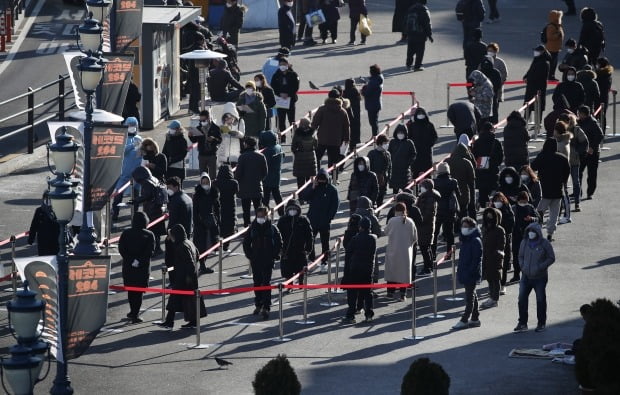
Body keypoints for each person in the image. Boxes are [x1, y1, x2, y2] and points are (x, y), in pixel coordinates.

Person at [157, 224, 204, 330]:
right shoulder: (189, 242)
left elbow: (189, 262)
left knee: (174, 300)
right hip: (189, 278)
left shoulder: (181, 246)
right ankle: (192, 321)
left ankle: (169, 322)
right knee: (188, 300)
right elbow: (197, 255)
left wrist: (187, 275)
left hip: (183, 278)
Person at [514, 223, 556, 333]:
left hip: (540, 277)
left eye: (533, 231)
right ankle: (522, 323)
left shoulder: (545, 243)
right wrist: (523, 266)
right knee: (521, 299)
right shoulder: (524, 242)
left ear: (538, 232)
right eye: (529, 231)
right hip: (526, 276)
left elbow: (551, 258)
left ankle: (541, 323)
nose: (530, 233)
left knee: (540, 300)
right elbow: (520, 256)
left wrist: (540, 267)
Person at [243, 207, 282, 319]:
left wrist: (274, 255)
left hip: (268, 261)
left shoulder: (272, 228)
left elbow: (279, 243)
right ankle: (258, 304)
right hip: (256, 261)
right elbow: (246, 244)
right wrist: (250, 255)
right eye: (258, 216)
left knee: (266, 283)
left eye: (262, 216)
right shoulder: (252, 229)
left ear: (267, 216)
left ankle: (266, 307)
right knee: (257, 283)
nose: (260, 218)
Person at [530, 138, 570, 241]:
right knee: (554, 214)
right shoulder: (562, 158)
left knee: (539, 212)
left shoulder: (542, 156)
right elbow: (567, 172)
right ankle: (550, 234)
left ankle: (536, 231)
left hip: (544, 190)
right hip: (557, 190)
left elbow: (533, 167)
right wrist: (563, 181)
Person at [119, 212, 155, 323]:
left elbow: (122, 249)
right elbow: (150, 251)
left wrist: (131, 260)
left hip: (128, 267)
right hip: (142, 268)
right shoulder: (149, 235)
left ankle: (132, 311)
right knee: (139, 292)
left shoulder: (126, 233)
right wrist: (139, 261)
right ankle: (135, 313)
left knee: (131, 290)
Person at [300, 169, 340, 271]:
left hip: (324, 222)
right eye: (320, 179)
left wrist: (329, 218)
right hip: (312, 220)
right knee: (310, 241)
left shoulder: (332, 190)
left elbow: (335, 206)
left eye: (323, 180)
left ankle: (324, 261)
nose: (321, 182)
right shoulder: (314, 187)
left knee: (325, 243)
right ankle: (311, 259)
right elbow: (304, 197)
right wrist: (312, 187)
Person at [342, 216, 376, 323]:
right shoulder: (372, 239)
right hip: (367, 269)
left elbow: (348, 254)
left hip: (355, 268)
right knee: (367, 293)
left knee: (352, 293)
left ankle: (351, 315)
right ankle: (368, 314)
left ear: (360, 227)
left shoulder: (355, 239)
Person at [451, 217, 482, 330]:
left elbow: (477, 259)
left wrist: (470, 271)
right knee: (472, 294)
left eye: (466, 226)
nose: (463, 228)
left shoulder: (475, 241)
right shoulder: (466, 240)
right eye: (462, 226)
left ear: (472, 228)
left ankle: (464, 319)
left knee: (469, 298)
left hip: (471, 273)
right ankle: (475, 318)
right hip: (465, 271)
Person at [384, 202, 417, 300]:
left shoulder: (392, 221)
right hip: (406, 252)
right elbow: (415, 237)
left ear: (395, 211)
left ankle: (390, 292)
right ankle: (403, 294)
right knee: (404, 273)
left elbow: (386, 231)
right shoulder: (410, 221)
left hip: (393, 250)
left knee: (392, 271)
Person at [112, 117, 143, 220]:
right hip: (124, 172)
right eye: (130, 126)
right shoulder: (122, 138)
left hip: (136, 172)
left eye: (134, 126)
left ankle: (135, 215)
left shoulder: (139, 138)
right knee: (118, 195)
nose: (132, 128)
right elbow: (121, 152)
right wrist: (131, 146)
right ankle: (115, 213)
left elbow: (141, 154)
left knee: (136, 195)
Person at [312, 89, 351, 170]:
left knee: (317, 157)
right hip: (336, 140)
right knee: (333, 161)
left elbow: (315, 123)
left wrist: (311, 133)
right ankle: (334, 178)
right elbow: (346, 126)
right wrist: (346, 138)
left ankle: (317, 175)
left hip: (322, 139)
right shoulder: (342, 111)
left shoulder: (322, 109)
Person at [277, 199, 313, 284]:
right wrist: (279, 249)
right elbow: (277, 236)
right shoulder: (282, 220)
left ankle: (301, 283)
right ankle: (289, 285)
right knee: (287, 270)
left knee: (300, 268)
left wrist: (309, 248)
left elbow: (309, 235)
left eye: (294, 209)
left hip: (300, 250)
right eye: (290, 209)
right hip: (287, 250)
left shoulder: (303, 220)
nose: (292, 210)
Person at [132, 167, 166, 255]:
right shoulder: (154, 179)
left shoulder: (146, 183)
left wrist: (135, 200)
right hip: (158, 208)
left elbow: (146, 196)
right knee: (156, 231)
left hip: (151, 209)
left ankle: (154, 249)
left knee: (151, 231)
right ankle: (158, 248)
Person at [235, 136, 268, 226]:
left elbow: (238, 174)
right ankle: (259, 225)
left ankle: (246, 226)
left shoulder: (242, 157)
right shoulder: (261, 156)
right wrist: (259, 179)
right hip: (257, 186)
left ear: (246, 144)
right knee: (258, 208)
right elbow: (265, 172)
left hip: (244, 187)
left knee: (246, 210)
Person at [192, 173, 220, 275]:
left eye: (207, 182)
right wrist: (198, 223)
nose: (205, 184)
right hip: (200, 225)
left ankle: (202, 265)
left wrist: (217, 220)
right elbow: (195, 211)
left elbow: (217, 208)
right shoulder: (197, 195)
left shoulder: (214, 193)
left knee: (209, 245)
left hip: (211, 224)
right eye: (203, 182)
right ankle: (202, 266)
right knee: (201, 246)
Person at [560, 112, 588, 212]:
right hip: (563, 161)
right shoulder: (560, 129)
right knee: (564, 184)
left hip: (574, 160)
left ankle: (577, 203)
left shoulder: (576, 130)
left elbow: (585, 142)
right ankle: (564, 203)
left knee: (575, 182)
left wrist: (578, 152)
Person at [510, 191, 539, 284]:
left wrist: (531, 219)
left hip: (527, 236)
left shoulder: (530, 207)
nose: (524, 203)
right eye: (522, 201)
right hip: (516, 235)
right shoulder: (514, 208)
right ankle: (516, 274)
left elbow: (538, 219)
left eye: (525, 201)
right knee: (516, 256)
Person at [471, 122, 503, 207]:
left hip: (481, 170)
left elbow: (474, 156)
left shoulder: (477, 142)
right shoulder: (496, 142)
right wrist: (495, 163)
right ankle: (492, 206)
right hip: (493, 169)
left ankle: (484, 205)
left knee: (483, 190)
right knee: (494, 188)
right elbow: (501, 157)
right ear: (492, 129)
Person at [432, 162, 460, 259]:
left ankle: (433, 254)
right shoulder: (453, 182)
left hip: (437, 210)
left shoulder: (434, 182)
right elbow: (458, 194)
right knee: (449, 233)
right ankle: (449, 254)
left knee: (434, 234)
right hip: (449, 210)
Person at [577, 105, 604, 200]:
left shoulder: (592, 123)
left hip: (593, 152)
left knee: (592, 173)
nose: (578, 115)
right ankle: (577, 192)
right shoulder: (579, 122)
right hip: (582, 152)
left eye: (579, 113)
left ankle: (590, 192)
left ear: (584, 114)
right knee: (578, 172)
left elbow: (600, 135)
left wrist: (592, 147)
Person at [270, 57, 300, 143]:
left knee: (292, 119)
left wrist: (288, 94)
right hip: (280, 100)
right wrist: (280, 94)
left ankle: (294, 136)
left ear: (287, 65)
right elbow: (273, 85)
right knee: (281, 120)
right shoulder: (276, 74)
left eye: (284, 64)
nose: (282, 66)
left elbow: (296, 86)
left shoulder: (293, 74)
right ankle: (282, 137)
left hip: (290, 100)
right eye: (280, 64)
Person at [480, 207, 505, 308]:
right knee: (489, 279)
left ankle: (495, 299)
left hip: (495, 259)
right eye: (487, 215)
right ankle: (491, 297)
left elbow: (501, 246)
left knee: (495, 279)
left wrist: (497, 257)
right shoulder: (486, 228)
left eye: (491, 215)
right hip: (486, 257)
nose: (488, 217)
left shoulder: (499, 230)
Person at [490, 192, 514, 294]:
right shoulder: (490, 211)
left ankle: (502, 284)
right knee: (493, 265)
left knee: (503, 263)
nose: (497, 202)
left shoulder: (508, 210)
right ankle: (494, 286)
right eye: (495, 201)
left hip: (505, 240)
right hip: (492, 241)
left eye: (499, 200)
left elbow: (511, 224)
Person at [188, 109, 222, 179]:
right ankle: (204, 189)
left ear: (208, 118)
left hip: (212, 154)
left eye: (203, 120)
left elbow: (220, 140)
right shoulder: (198, 128)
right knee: (203, 176)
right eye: (200, 121)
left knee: (213, 176)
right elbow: (195, 141)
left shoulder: (215, 128)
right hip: (202, 154)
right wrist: (190, 136)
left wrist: (213, 139)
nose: (202, 122)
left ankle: (212, 188)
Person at [416, 178, 440, 276]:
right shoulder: (426, 196)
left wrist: (419, 219)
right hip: (426, 226)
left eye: (422, 186)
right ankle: (429, 266)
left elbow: (428, 214)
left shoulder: (429, 198)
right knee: (426, 247)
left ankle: (427, 268)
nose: (421, 188)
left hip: (426, 226)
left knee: (424, 248)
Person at [447, 142, 475, 223]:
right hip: (464, 193)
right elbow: (471, 180)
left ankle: (455, 227)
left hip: (451, 194)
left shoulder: (448, 161)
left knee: (453, 213)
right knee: (463, 212)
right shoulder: (466, 162)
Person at [212, 164, 238, 252]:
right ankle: (226, 246)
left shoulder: (215, 183)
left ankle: (216, 247)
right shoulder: (234, 183)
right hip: (230, 207)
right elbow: (237, 191)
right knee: (229, 227)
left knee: (218, 227)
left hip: (219, 207)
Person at [259, 130, 285, 216]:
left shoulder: (267, 151)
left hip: (267, 178)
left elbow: (264, 164)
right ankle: (282, 213)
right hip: (276, 175)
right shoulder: (278, 147)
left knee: (265, 198)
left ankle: (264, 214)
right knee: (277, 195)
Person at [407, 107, 437, 178]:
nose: (420, 115)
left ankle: (428, 187)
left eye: (422, 114)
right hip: (416, 153)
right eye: (419, 113)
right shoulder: (412, 126)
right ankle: (416, 188)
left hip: (426, 153)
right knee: (415, 174)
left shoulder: (429, 125)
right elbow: (409, 138)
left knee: (427, 173)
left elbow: (435, 136)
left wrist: (430, 144)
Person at [404, 0, 433, 72]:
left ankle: (408, 65)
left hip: (411, 33)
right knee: (420, 51)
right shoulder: (424, 10)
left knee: (410, 50)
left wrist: (406, 32)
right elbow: (427, 24)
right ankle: (417, 66)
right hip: (420, 34)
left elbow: (405, 20)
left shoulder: (411, 8)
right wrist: (429, 35)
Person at [553, 121, 573, 224]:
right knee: (561, 195)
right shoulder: (564, 141)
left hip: (561, 173)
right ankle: (562, 215)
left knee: (564, 195)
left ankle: (568, 216)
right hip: (562, 172)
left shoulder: (560, 144)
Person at [388, 124, 416, 194]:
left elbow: (413, 154)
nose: (400, 134)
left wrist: (408, 163)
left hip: (405, 170)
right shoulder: (392, 142)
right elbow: (388, 153)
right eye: (399, 133)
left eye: (402, 133)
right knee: (395, 189)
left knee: (406, 189)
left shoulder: (409, 143)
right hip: (394, 169)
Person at [524, 45, 551, 116]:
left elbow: (539, 75)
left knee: (538, 106)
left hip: (539, 87)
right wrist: (526, 76)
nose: (535, 52)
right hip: (531, 86)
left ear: (542, 52)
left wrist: (529, 78)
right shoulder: (536, 59)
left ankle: (538, 123)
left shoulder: (545, 63)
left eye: (537, 51)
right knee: (528, 105)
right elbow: (530, 70)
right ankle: (525, 121)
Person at [163, 120, 189, 185]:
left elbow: (183, 154)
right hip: (168, 168)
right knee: (168, 186)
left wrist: (172, 160)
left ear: (178, 129)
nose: (170, 130)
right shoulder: (168, 138)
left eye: (172, 128)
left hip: (178, 168)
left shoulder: (183, 140)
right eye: (170, 128)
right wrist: (164, 160)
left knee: (177, 187)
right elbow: (164, 151)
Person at [368, 135, 392, 206]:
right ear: (379, 143)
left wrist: (389, 177)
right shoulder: (372, 154)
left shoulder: (387, 154)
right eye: (385, 143)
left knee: (381, 198)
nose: (387, 145)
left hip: (384, 180)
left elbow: (390, 167)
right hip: (374, 180)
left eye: (387, 143)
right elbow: (368, 167)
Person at [361, 64, 384, 137]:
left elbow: (367, 93)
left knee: (373, 122)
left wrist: (363, 89)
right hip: (376, 103)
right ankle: (375, 136)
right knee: (375, 121)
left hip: (372, 104)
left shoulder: (373, 82)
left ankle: (375, 137)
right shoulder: (378, 79)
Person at [543, 10, 564, 81]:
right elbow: (550, 36)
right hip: (551, 49)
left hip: (555, 48)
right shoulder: (551, 27)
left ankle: (550, 75)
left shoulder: (557, 25)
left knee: (553, 63)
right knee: (552, 63)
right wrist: (558, 34)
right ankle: (550, 76)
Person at [479, 57, 501, 124]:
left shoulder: (481, 73)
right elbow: (498, 84)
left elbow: (498, 84)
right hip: (488, 95)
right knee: (490, 109)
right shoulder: (495, 72)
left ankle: (489, 123)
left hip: (487, 95)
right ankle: (489, 123)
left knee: (489, 110)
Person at [343, 78, 362, 152]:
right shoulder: (356, 91)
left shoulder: (345, 92)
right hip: (356, 113)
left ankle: (350, 146)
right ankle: (356, 143)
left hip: (348, 113)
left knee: (348, 129)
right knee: (356, 129)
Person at [595, 57, 613, 131]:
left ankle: (598, 133)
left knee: (598, 115)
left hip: (598, 97)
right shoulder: (608, 73)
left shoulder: (599, 74)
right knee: (602, 115)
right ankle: (602, 132)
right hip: (605, 97)